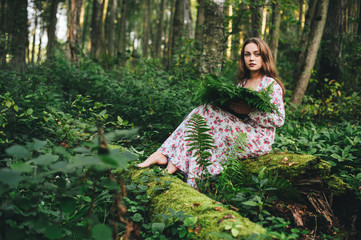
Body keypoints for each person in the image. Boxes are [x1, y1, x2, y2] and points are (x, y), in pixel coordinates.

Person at [138, 38, 285, 188]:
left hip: (258, 139)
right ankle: (166, 157)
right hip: (240, 131)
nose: (251, 58)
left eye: (257, 54)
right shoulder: (242, 83)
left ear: (265, 56)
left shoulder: (271, 84)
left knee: (207, 112)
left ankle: (173, 162)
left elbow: (279, 119)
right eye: (247, 54)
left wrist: (251, 111)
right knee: (202, 114)